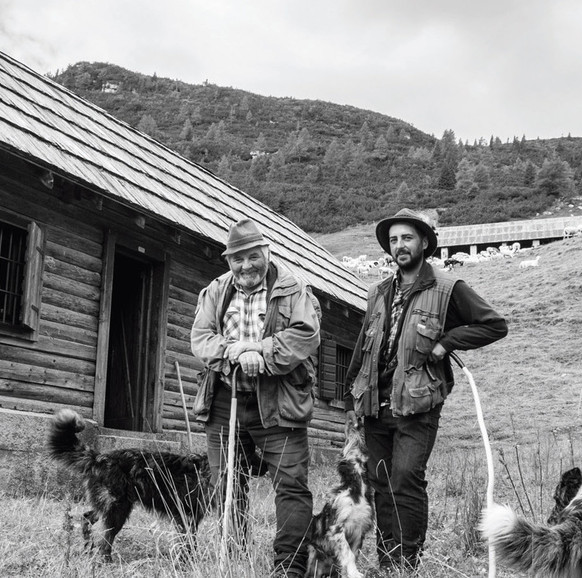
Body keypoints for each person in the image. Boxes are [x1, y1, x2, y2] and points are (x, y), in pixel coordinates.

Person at [344, 208, 507, 572]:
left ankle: (407, 562)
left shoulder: (448, 289)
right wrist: (349, 398)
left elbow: (494, 325)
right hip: (374, 404)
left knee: (405, 480)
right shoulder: (378, 292)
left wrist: (446, 343)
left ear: (424, 243)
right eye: (394, 240)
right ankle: (389, 562)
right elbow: (362, 347)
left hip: (418, 404)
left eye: (407, 238)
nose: (400, 246)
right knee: (382, 483)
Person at [191, 218, 321, 577]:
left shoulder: (294, 289)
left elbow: (305, 336)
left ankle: (288, 569)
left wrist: (261, 351)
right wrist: (234, 352)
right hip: (224, 399)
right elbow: (200, 338)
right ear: (228, 260)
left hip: (279, 400)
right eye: (237, 259)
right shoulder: (216, 291)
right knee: (226, 483)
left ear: (266, 252)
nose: (245, 266)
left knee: (291, 486)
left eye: (252, 256)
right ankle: (234, 560)